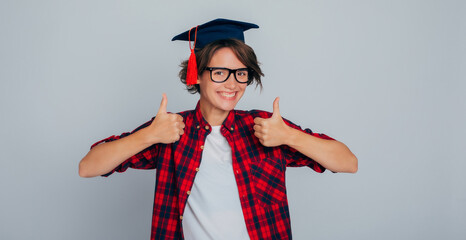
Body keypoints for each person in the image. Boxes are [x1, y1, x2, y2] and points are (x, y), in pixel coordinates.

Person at [79, 18, 358, 240]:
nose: (232, 83)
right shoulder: (171, 129)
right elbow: (88, 167)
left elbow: (348, 162)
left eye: (241, 73)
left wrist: (289, 136)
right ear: (197, 74)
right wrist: (149, 135)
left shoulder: (265, 127)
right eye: (220, 72)